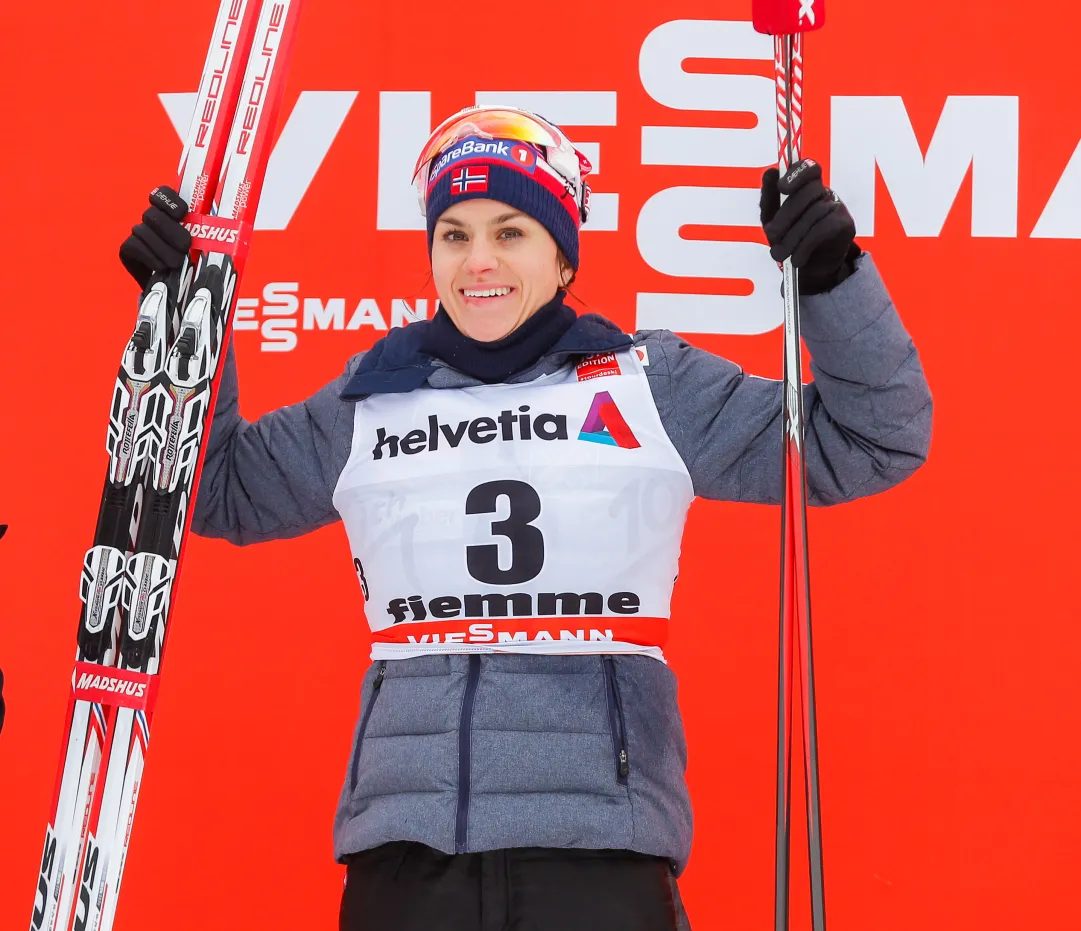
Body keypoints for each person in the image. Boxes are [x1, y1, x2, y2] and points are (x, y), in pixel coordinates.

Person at [118, 106, 932, 931]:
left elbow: (870, 438)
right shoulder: (372, 396)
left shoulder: (646, 383)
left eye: (510, 233)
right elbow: (212, 488)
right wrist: (186, 314)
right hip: (405, 857)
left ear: (560, 251)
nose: (477, 262)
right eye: (454, 234)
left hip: (594, 855)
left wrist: (832, 277)